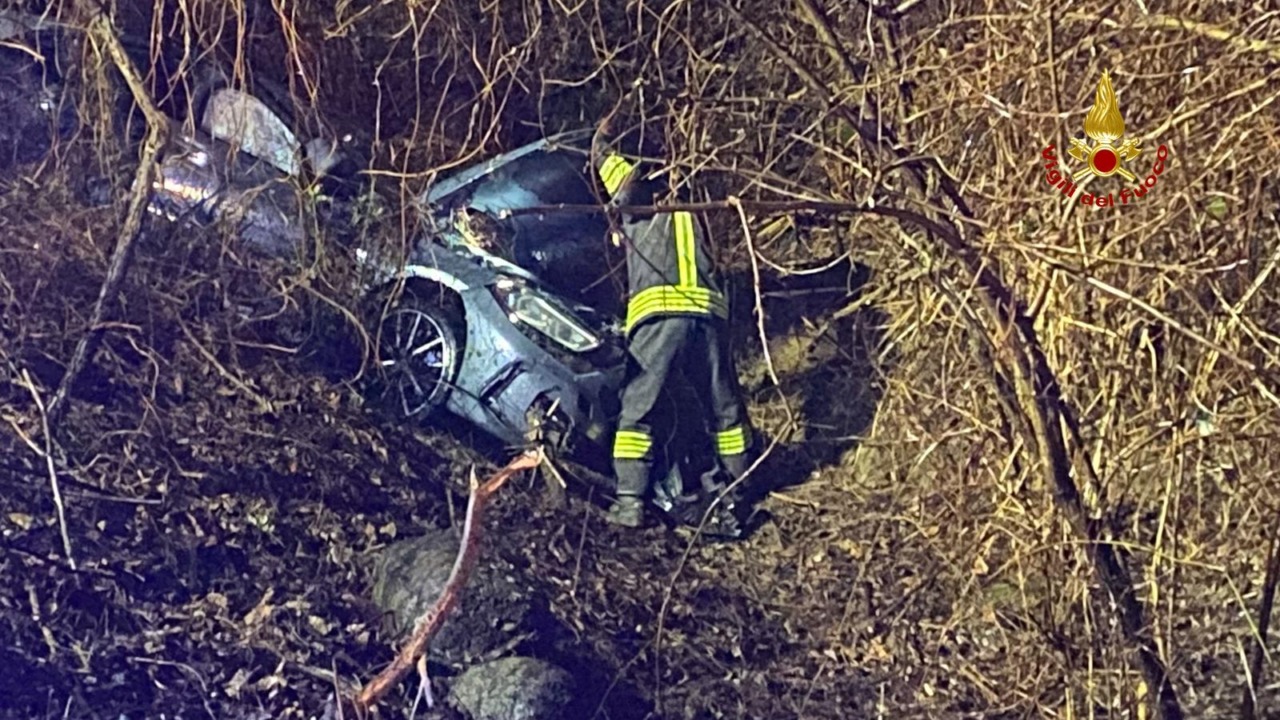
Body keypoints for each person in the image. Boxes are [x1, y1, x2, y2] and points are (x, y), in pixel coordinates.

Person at [593, 139, 754, 529]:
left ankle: (630, 501)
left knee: (639, 408)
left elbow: (625, 178)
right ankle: (739, 491)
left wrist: (598, 150)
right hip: (709, 313)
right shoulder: (700, 194)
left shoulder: (636, 198)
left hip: (661, 313)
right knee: (725, 409)